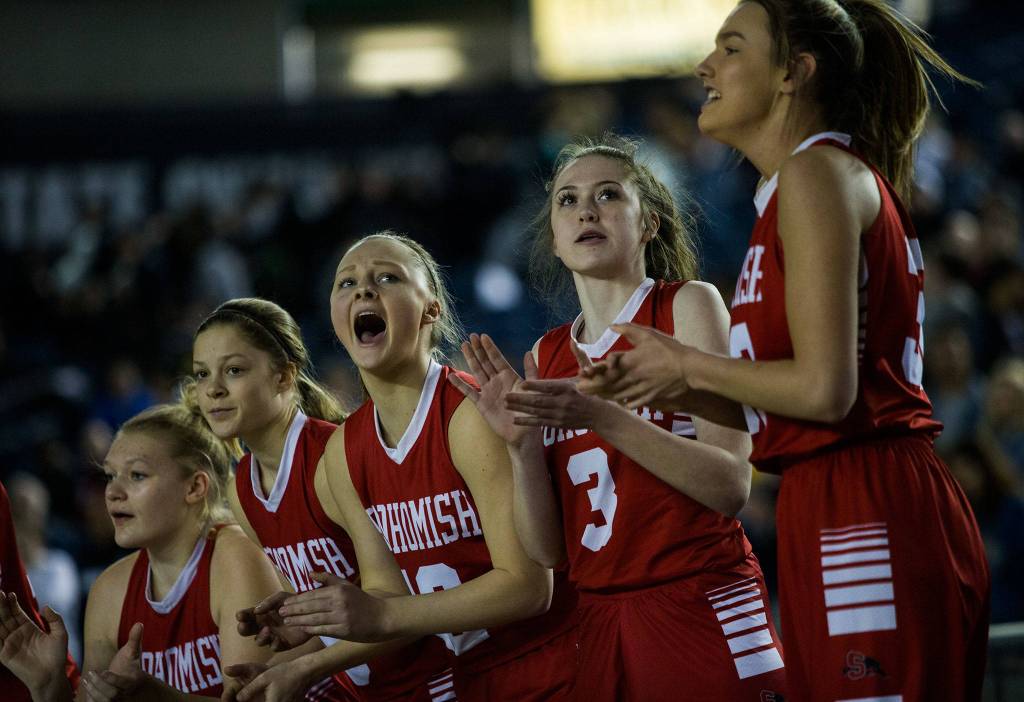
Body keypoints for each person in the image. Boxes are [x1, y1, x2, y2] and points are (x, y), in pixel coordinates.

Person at [577, 2, 990, 699]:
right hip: (829, 494)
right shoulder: (792, 188)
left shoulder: (816, 175)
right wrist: (661, 387)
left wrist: (687, 364)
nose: (706, 66)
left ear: (795, 72)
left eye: (731, 48)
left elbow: (829, 392)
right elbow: (787, 405)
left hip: (866, 501)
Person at [455, 135, 787, 702]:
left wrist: (603, 416)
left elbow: (732, 486)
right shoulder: (544, 355)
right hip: (601, 620)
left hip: (699, 597)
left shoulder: (687, 305)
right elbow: (548, 553)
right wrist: (521, 448)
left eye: (608, 195)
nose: (586, 209)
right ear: (556, 241)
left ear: (650, 224)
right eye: (568, 200)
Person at [233, 232, 577, 702]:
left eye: (387, 277)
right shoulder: (344, 451)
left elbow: (528, 587)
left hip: (555, 667)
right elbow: (386, 596)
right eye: (346, 283)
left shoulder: (469, 415)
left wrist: (379, 617)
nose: (364, 290)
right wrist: (316, 629)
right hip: (472, 680)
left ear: (431, 309)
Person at [189, 297, 446, 701]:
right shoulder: (244, 490)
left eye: (234, 370)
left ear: (283, 377)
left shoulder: (333, 457)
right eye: (201, 375)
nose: (213, 390)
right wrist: (279, 660)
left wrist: (303, 667)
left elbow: (409, 602)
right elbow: (343, 625)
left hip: (437, 678)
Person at [79, 403, 300, 700]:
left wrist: (156, 697)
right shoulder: (109, 589)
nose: (113, 492)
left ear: (195, 487)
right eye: (110, 475)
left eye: (137, 475)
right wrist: (47, 681)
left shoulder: (236, 557)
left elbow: (255, 698)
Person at [0, 480, 80, 702]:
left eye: (32, 507)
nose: (26, 515)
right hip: (20, 673)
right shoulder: (7, 572)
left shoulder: (62, 564)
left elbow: (61, 615)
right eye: (19, 507)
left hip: (67, 671)